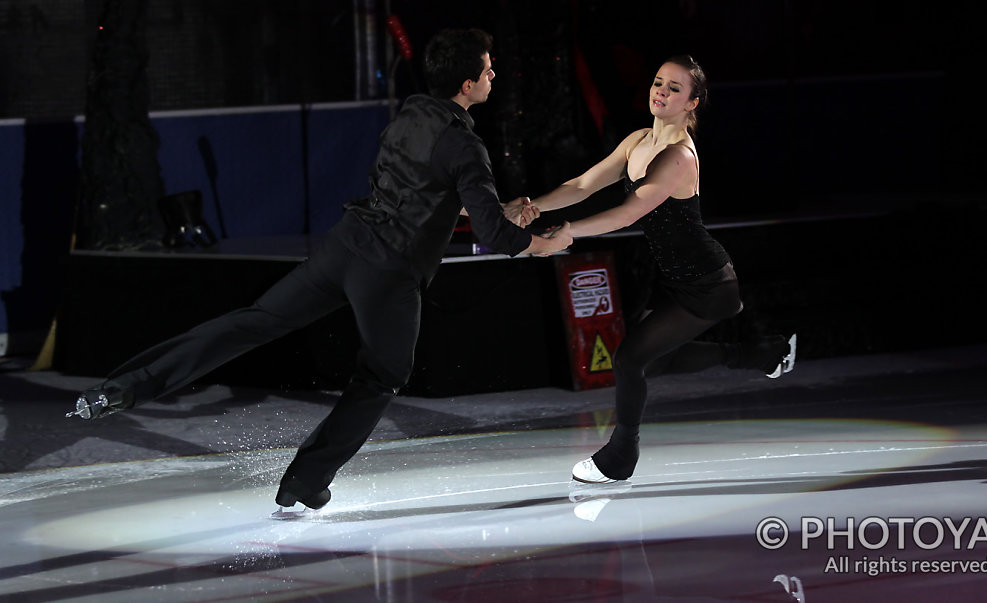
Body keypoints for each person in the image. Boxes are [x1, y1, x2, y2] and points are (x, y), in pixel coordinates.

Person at [67, 28, 573, 513]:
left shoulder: (412, 112)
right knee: (383, 374)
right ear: (468, 84)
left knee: (254, 320)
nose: (493, 77)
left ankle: (122, 388)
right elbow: (496, 237)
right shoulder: (466, 145)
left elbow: (425, 191)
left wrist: (490, 207)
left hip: (344, 247)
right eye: (488, 70)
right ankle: (306, 481)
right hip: (388, 271)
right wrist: (545, 244)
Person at [509, 54, 796, 484]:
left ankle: (619, 457)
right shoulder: (639, 140)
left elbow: (627, 213)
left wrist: (568, 233)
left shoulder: (678, 156)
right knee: (653, 363)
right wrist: (533, 205)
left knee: (629, 360)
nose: (661, 92)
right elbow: (584, 185)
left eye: (674, 88)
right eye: (658, 83)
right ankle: (763, 353)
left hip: (705, 282)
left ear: (692, 103)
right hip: (674, 277)